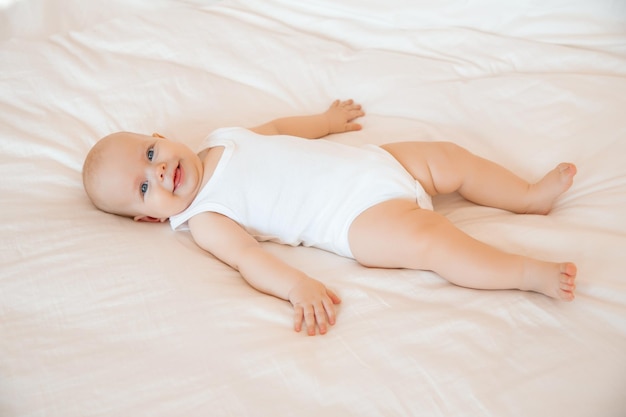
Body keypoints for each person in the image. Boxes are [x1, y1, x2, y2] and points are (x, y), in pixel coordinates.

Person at [82, 99, 577, 336]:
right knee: (432, 240)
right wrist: (296, 287)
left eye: (150, 152)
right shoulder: (206, 216)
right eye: (144, 187)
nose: (160, 170)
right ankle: (527, 273)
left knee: (447, 156)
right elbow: (249, 259)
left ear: (158, 135)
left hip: (377, 163)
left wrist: (326, 122)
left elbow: (276, 128)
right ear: (147, 219)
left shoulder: (221, 137)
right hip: (355, 218)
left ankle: (527, 196)